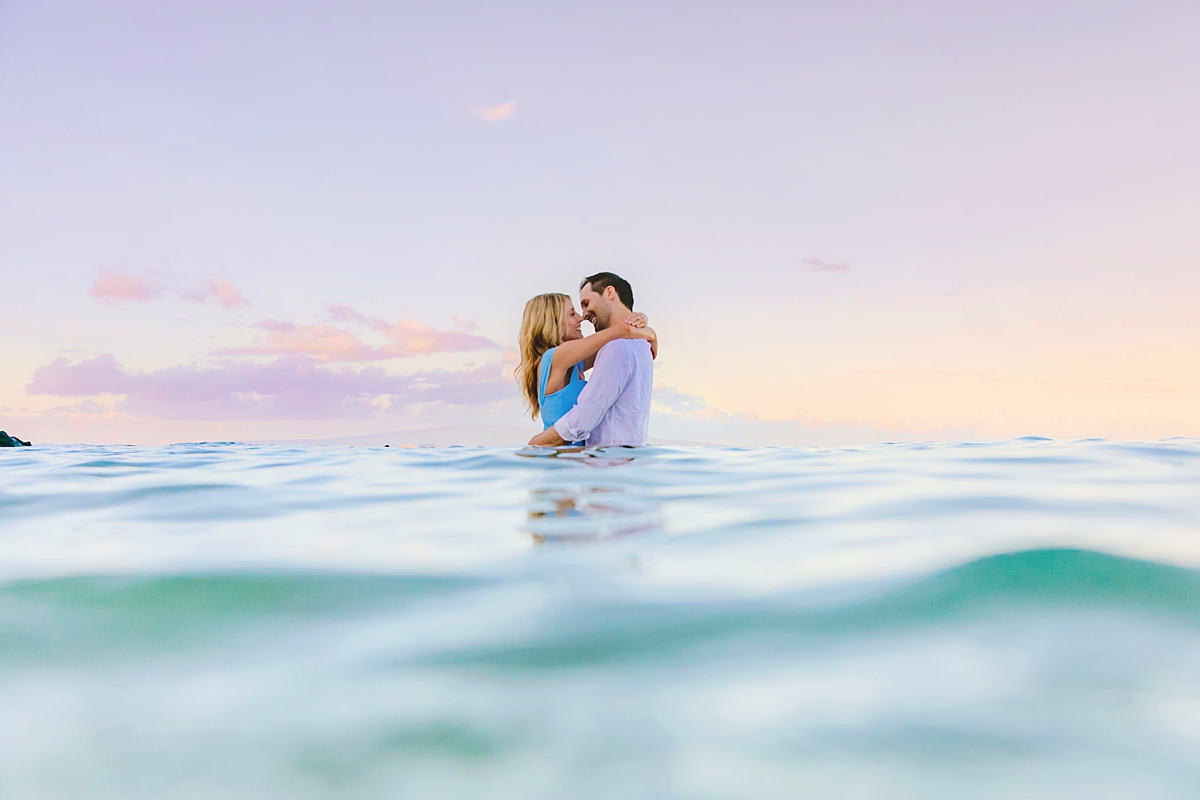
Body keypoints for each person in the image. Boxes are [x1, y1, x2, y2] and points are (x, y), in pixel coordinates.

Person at [528, 272, 654, 447]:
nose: (582, 317)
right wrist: (649, 333)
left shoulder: (575, 363)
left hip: (573, 459)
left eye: (585, 305)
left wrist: (642, 326)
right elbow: (621, 332)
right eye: (572, 313)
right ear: (553, 321)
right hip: (557, 456)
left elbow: (617, 340)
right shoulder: (555, 357)